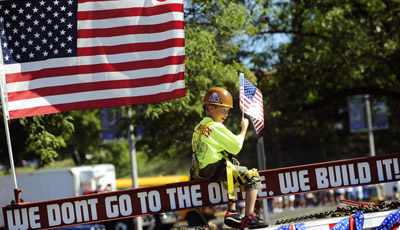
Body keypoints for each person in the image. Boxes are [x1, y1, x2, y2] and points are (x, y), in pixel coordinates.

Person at [190, 87, 268, 229]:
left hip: (200, 170)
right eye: (223, 110)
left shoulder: (199, 126)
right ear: (211, 108)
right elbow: (236, 146)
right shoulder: (215, 127)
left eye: (227, 111)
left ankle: (231, 212)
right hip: (212, 168)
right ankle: (249, 216)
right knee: (253, 177)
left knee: (233, 167)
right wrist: (244, 128)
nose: (226, 114)